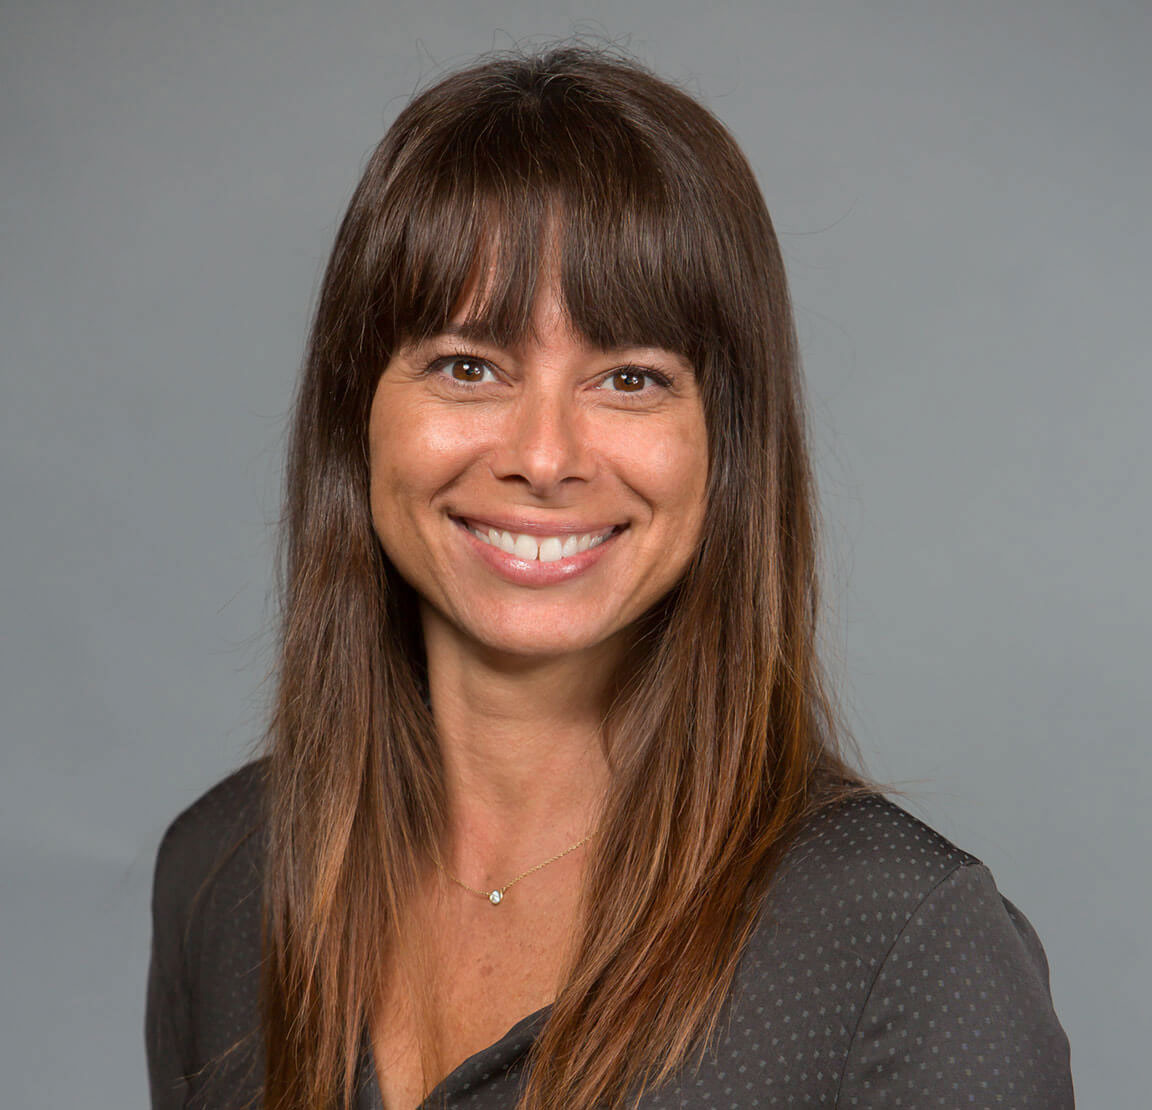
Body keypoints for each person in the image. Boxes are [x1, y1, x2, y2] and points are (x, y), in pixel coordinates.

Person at [145, 45, 1074, 1110]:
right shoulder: (223, 874)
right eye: (468, 366)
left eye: (631, 379)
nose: (544, 456)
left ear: (727, 446)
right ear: (356, 413)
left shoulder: (904, 951)